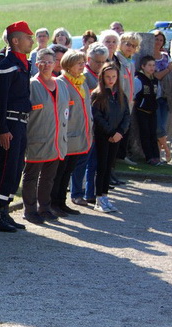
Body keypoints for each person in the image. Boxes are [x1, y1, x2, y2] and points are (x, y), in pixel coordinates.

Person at [0, 21, 35, 232]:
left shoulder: (23, 63)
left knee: (16, 167)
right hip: (10, 122)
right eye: (28, 37)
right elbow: (1, 100)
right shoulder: (8, 65)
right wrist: (2, 128)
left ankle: (5, 208)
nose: (31, 41)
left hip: (21, 121)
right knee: (7, 167)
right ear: (15, 41)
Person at [21, 48, 69, 224]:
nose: (47, 65)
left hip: (57, 140)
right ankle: (30, 209)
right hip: (38, 139)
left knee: (49, 177)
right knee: (32, 175)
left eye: (51, 61)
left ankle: (45, 207)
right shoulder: (32, 85)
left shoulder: (61, 84)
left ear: (55, 64)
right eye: (44, 62)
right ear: (37, 64)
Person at [51, 49, 93, 216]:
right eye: (79, 63)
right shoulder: (61, 82)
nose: (83, 66)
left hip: (80, 135)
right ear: (68, 65)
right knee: (60, 171)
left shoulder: (82, 82)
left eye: (83, 63)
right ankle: (54, 203)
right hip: (66, 135)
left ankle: (62, 202)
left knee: (68, 170)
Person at [71, 42, 109, 207]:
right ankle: (77, 193)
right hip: (85, 123)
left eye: (103, 62)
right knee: (81, 160)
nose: (100, 65)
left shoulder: (102, 74)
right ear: (89, 59)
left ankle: (90, 193)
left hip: (98, 123)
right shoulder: (85, 76)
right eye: (97, 61)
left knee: (93, 161)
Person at [92, 62, 130, 213]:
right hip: (104, 136)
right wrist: (110, 133)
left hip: (117, 136)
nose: (111, 79)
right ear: (102, 77)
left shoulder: (121, 94)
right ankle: (98, 199)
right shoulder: (98, 94)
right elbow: (97, 116)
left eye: (114, 76)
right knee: (101, 167)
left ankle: (105, 196)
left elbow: (126, 115)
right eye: (108, 77)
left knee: (109, 167)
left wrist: (120, 132)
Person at [117, 32, 140, 164]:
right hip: (119, 101)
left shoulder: (130, 62)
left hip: (129, 101)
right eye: (127, 44)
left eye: (134, 45)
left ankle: (121, 155)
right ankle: (117, 157)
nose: (130, 47)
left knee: (125, 129)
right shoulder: (118, 60)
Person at [133, 55, 160, 165]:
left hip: (152, 111)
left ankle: (156, 157)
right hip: (142, 111)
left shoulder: (155, 80)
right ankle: (149, 157)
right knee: (145, 134)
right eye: (149, 65)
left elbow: (158, 94)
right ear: (143, 66)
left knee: (153, 134)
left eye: (153, 65)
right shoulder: (138, 79)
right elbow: (134, 95)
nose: (152, 68)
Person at [151, 30, 172, 163]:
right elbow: (156, 76)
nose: (158, 42)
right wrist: (166, 70)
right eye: (156, 39)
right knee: (158, 126)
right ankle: (167, 150)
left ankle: (159, 154)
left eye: (160, 40)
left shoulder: (165, 56)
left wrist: (165, 71)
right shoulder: (148, 57)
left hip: (166, 95)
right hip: (154, 96)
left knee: (162, 125)